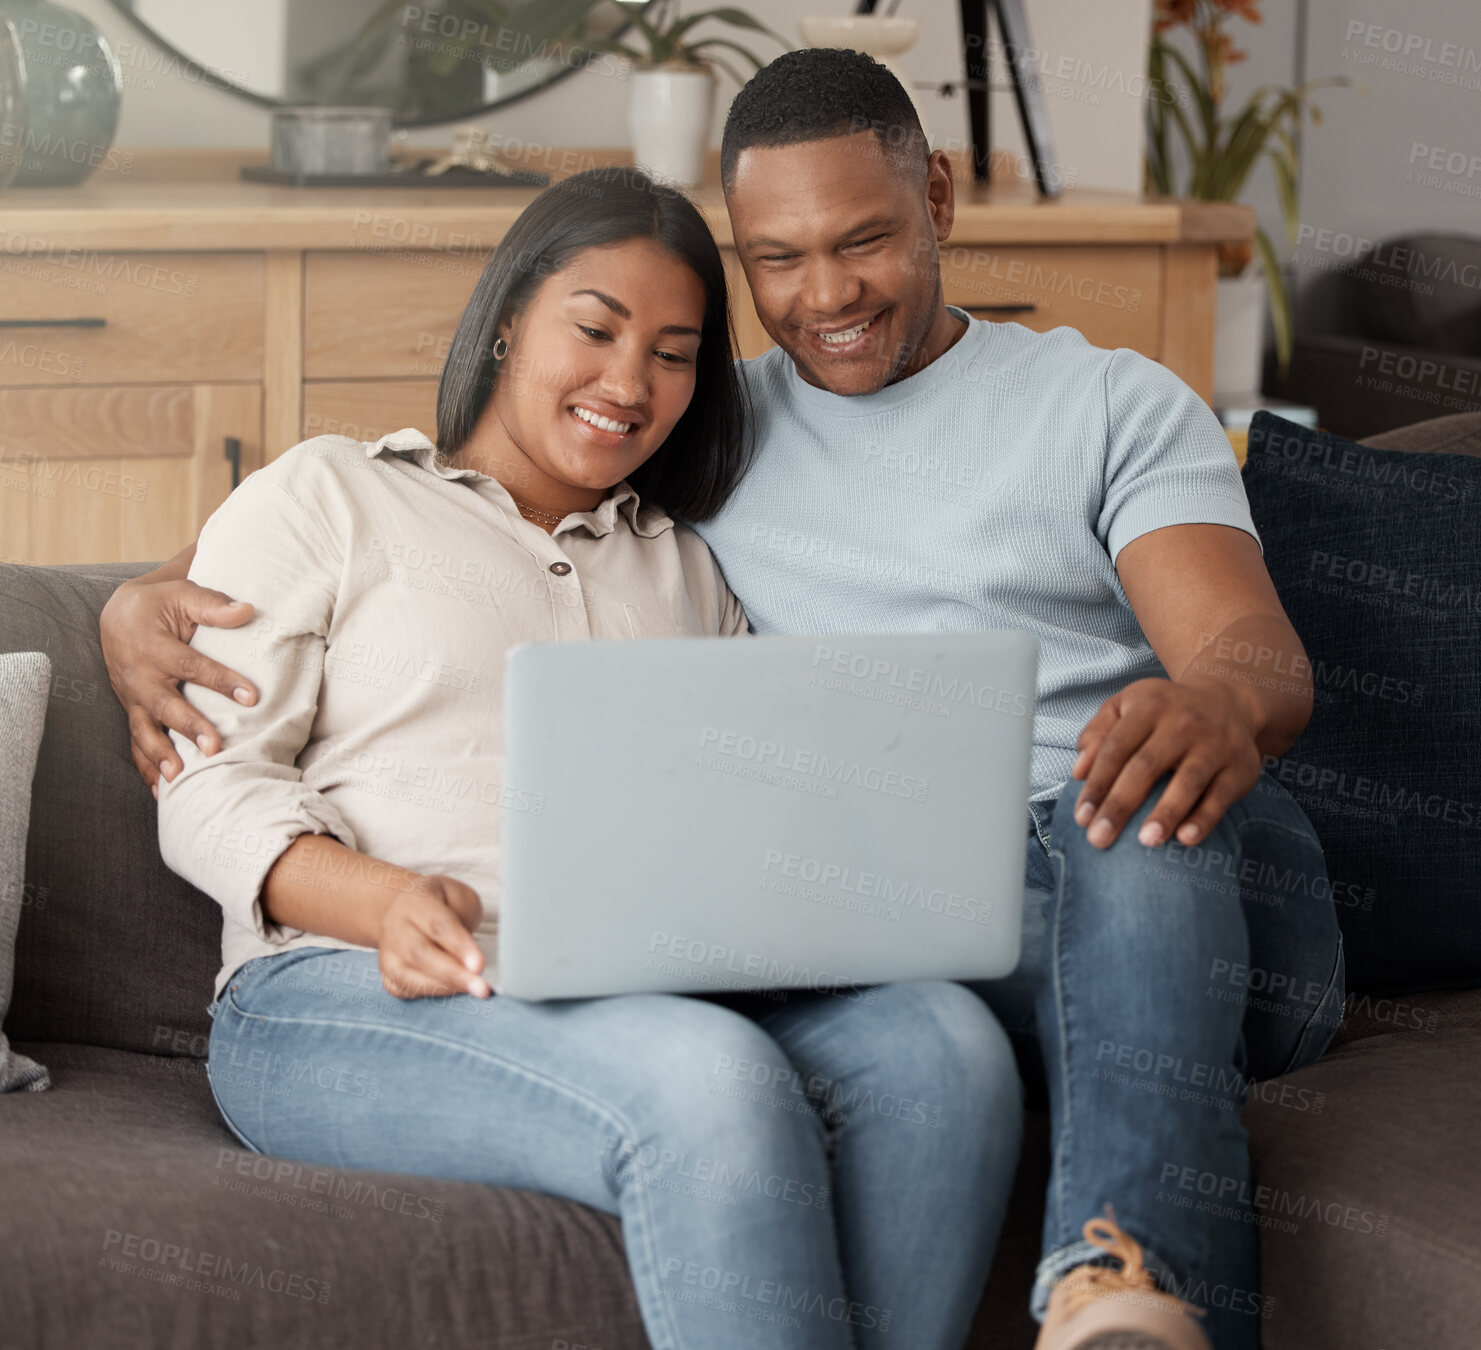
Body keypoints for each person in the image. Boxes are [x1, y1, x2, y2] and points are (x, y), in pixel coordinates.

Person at [102, 50, 1346, 1350]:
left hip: (1153, 860)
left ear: (938, 197)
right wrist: (128, 603)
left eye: (863, 238)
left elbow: (1247, 654)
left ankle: (1122, 1287)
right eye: (777, 261)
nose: (825, 295)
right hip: (488, 953)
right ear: (508, 314)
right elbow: (240, 707)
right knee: (832, 1059)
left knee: (1060, 900)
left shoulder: (1036, 423)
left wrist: (1210, 696)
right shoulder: (488, 478)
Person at [139, 166, 1024, 1350]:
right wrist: (387, 900)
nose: (628, 383)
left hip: (642, 988)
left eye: (673, 353)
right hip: (334, 992)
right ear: (509, 317)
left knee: (946, 1048)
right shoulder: (328, 496)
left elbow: (756, 805)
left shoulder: (689, 567)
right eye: (594, 329)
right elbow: (205, 784)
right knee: (708, 1080)